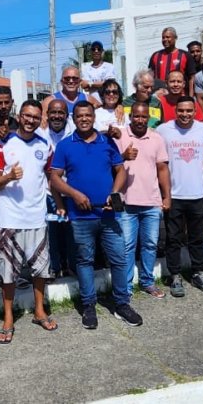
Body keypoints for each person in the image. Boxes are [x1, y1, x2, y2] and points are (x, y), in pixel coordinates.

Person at [49, 101, 143, 329]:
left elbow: (120, 170)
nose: (84, 119)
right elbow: (54, 178)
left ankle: (121, 303)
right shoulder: (65, 145)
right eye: (79, 116)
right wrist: (74, 194)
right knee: (84, 261)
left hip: (109, 214)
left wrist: (115, 192)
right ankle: (88, 305)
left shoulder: (107, 142)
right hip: (80, 216)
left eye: (88, 115)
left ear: (93, 117)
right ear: (74, 118)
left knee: (119, 259)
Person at [0, 100, 58, 344]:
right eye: (27, 115)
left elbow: (50, 176)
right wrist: (8, 176)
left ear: (41, 119)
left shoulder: (45, 145)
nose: (30, 120)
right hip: (9, 217)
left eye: (35, 117)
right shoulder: (3, 144)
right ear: (19, 116)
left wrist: (59, 202)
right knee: (7, 272)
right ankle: (8, 317)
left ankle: (39, 311)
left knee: (40, 269)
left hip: (37, 217)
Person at [157, 96, 203, 297]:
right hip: (173, 195)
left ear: (194, 111)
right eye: (181, 111)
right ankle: (175, 276)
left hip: (197, 194)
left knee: (197, 237)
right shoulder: (164, 130)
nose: (185, 114)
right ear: (175, 111)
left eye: (189, 111)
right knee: (173, 239)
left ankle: (199, 273)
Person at [114, 102, 171, 299]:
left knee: (149, 244)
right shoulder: (120, 135)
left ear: (149, 118)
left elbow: (162, 169)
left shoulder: (156, 138)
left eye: (143, 117)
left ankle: (148, 281)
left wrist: (167, 196)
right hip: (126, 202)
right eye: (136, 116)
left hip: (151, 202)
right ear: (130, 117)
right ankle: (126, 286)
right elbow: (110, 164)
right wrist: (123, 156)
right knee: (127, 246)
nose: (139, 120)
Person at [37, 99, 75, 277]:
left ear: (67, 115)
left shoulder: (74, 133)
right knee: (51, 231)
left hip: (72, 191)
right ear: (47, 114)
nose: (57, 116)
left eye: (61, 113)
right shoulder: (40, 133)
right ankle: (55, 267)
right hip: (47, 192)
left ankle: (72, 267)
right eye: (53, 112)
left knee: (72, 231)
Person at [148, 27, 197, 96]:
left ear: (175, 38)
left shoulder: (185, 55)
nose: (165, 39)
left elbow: (192, 78)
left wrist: (191, 96)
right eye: (163, 37)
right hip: (159, 96)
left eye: (168, 37)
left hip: (180, 97)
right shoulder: (155, 55)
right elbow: (150, 77)